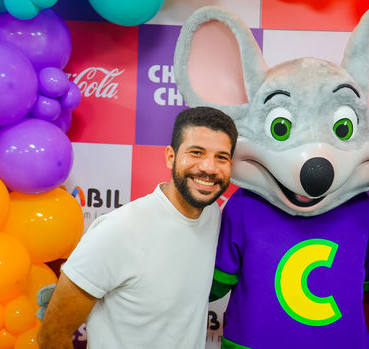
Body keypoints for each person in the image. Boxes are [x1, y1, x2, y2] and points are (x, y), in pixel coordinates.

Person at [37, 106, 238, 349]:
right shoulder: (118, 230)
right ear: (171, 157)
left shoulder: (213, 215)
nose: (209, 167)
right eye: (196, 152)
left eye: (221, 157)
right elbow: (52, 334)